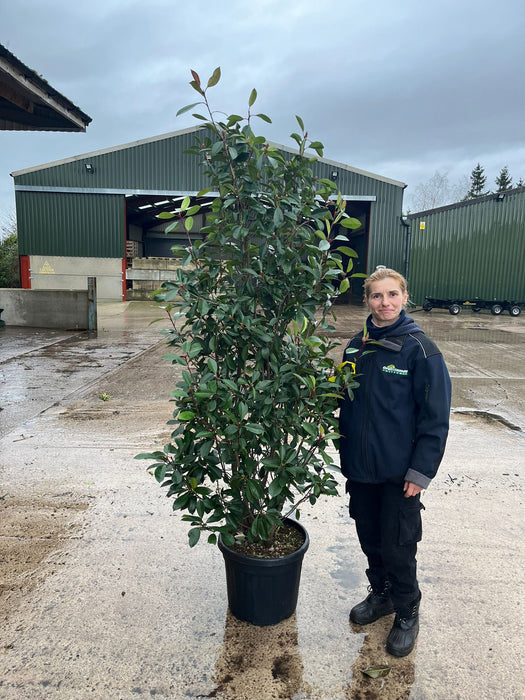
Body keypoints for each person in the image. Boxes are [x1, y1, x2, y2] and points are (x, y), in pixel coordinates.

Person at [339, 267, 451, 657]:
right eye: (376, 296)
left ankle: (407, 610)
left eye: (391, 295)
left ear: (405, 297)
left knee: (398, 545)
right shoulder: (356, 346)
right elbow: (346, 406)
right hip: (361, 471)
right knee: (369, 539)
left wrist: (421, 472)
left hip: (401, 476)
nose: (384, 303)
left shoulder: (420, 349)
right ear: (366, 300)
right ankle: (381, 595)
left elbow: (435, 418)